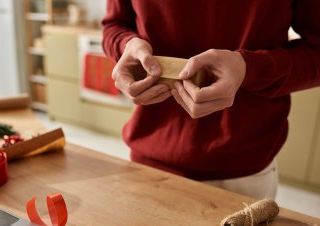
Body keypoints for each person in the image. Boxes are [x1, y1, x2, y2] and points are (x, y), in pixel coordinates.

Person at [101, 1, 320, 199]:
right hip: (146, 165)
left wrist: (249, 68)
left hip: (243, 171)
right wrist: (125, 45)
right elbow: (115, 25)